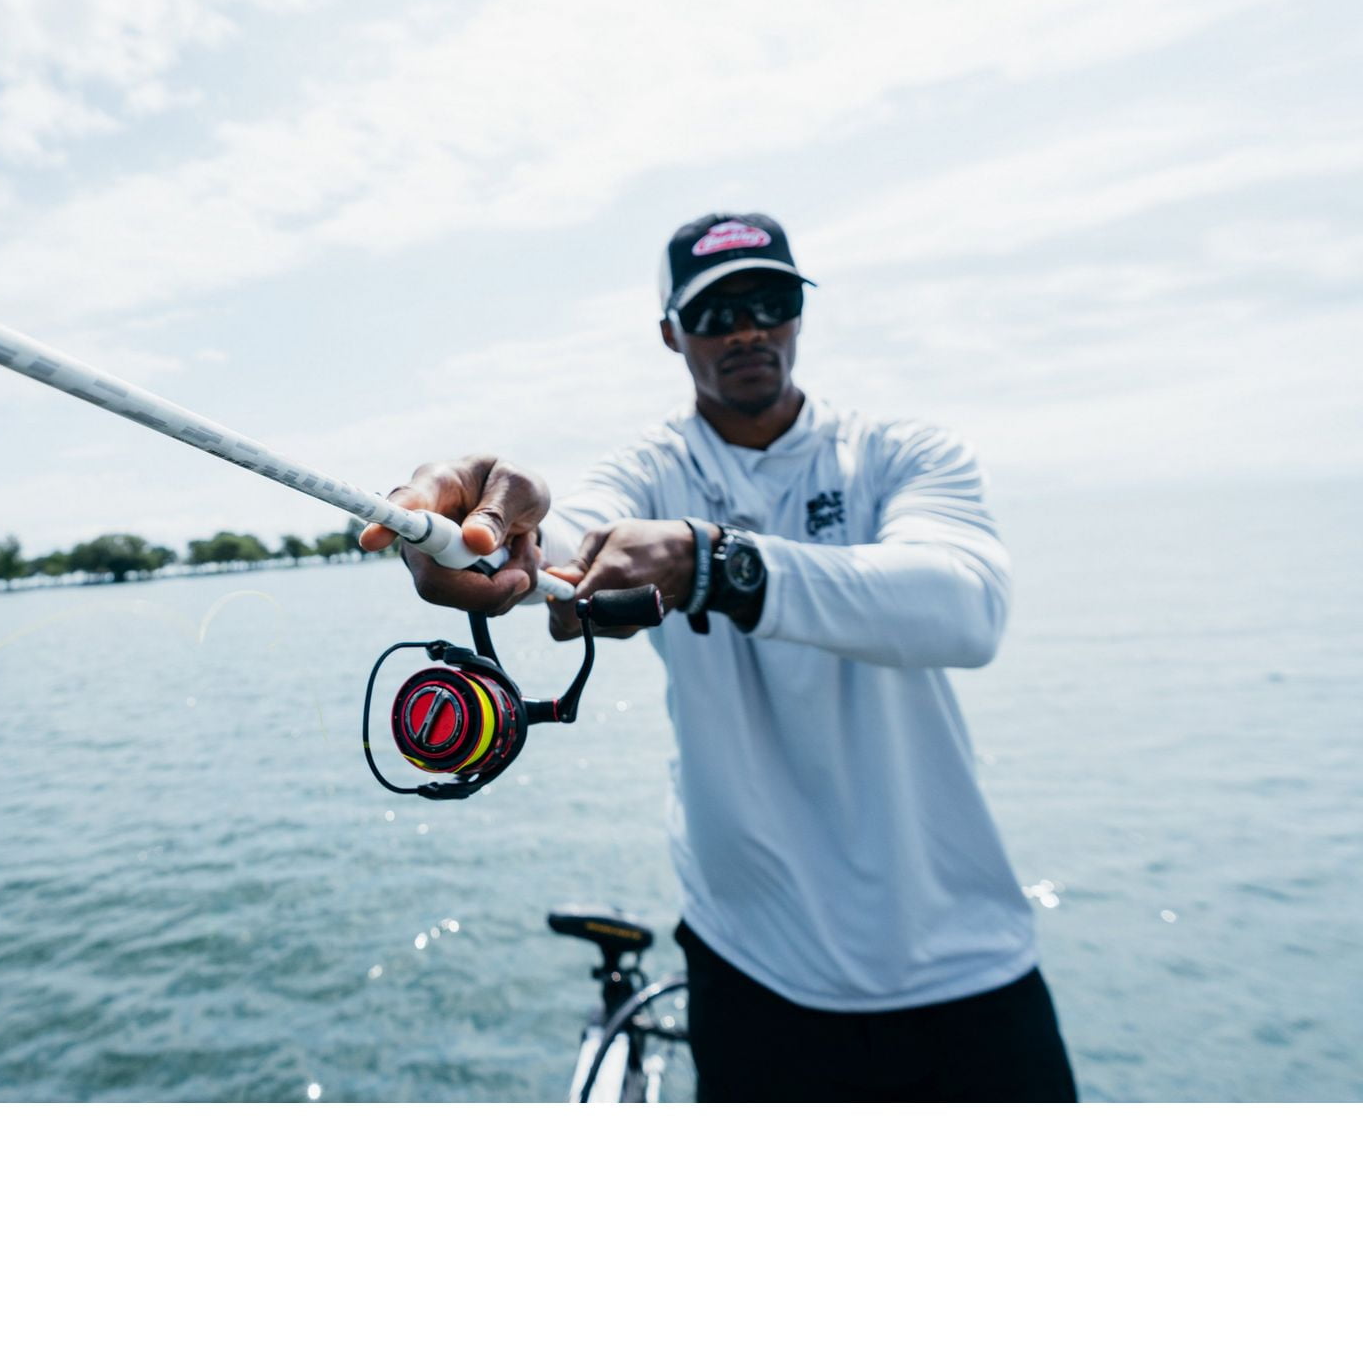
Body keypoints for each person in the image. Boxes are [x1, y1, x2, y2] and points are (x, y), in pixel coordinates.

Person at [359, 212, 1077, 1103]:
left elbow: (967, 607)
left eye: (769, 301)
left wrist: (715, 563)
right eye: (713, 313)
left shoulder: (904, 455)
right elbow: (563, 545)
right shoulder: (648, 472)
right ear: (672, 334)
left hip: (965, 966)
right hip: (751, 970)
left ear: (799, 314)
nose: (745, 330)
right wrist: (489, 536)